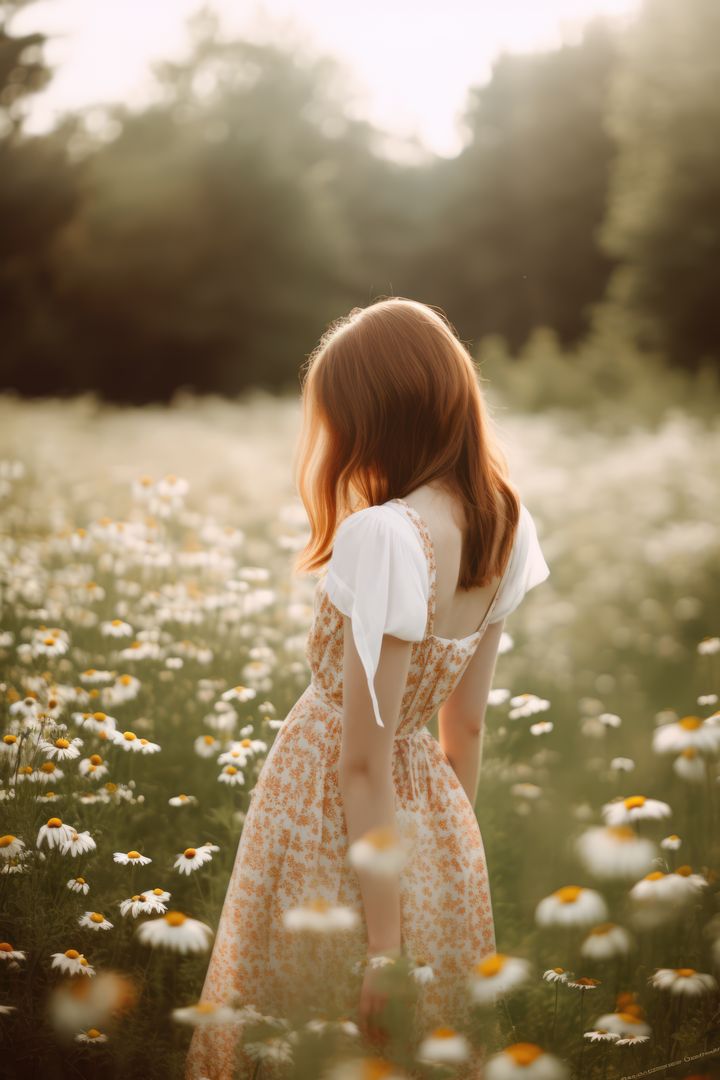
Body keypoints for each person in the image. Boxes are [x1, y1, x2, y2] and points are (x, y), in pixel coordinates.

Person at [185, 297, 550, 1079]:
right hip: (434, 812)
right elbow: (468, 727)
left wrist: (385, 948)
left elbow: (360, 758)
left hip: (326, 807)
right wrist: (437, 860)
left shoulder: (387, 536)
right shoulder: (507, 525)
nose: (340, 439)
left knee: (301, 1032)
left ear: (383, 417)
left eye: (345, 417)